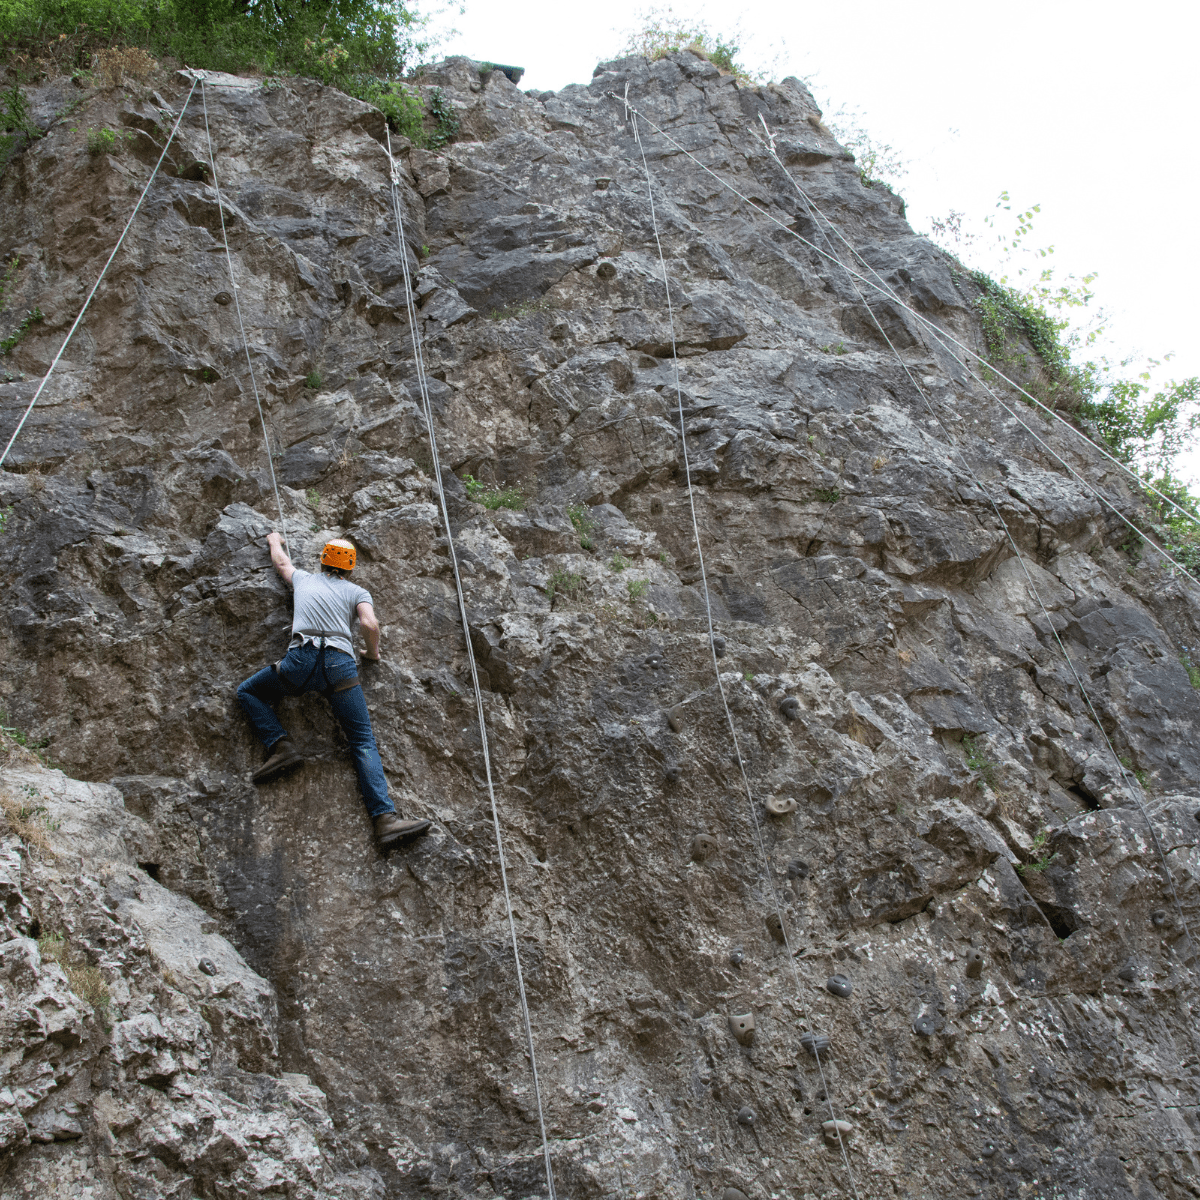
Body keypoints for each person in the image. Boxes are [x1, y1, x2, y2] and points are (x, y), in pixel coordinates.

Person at [236, 533, 431, 848]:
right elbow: (369, 624)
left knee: (249, 691)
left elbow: (282, 563)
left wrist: (275, 542)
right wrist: (372, 653)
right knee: (362, 742)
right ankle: (384, 820)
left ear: (323, 560)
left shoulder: (303, 579)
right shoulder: (357, 591)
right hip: (340, 668)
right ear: (350, 569)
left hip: (300, 662)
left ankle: (281, 745)